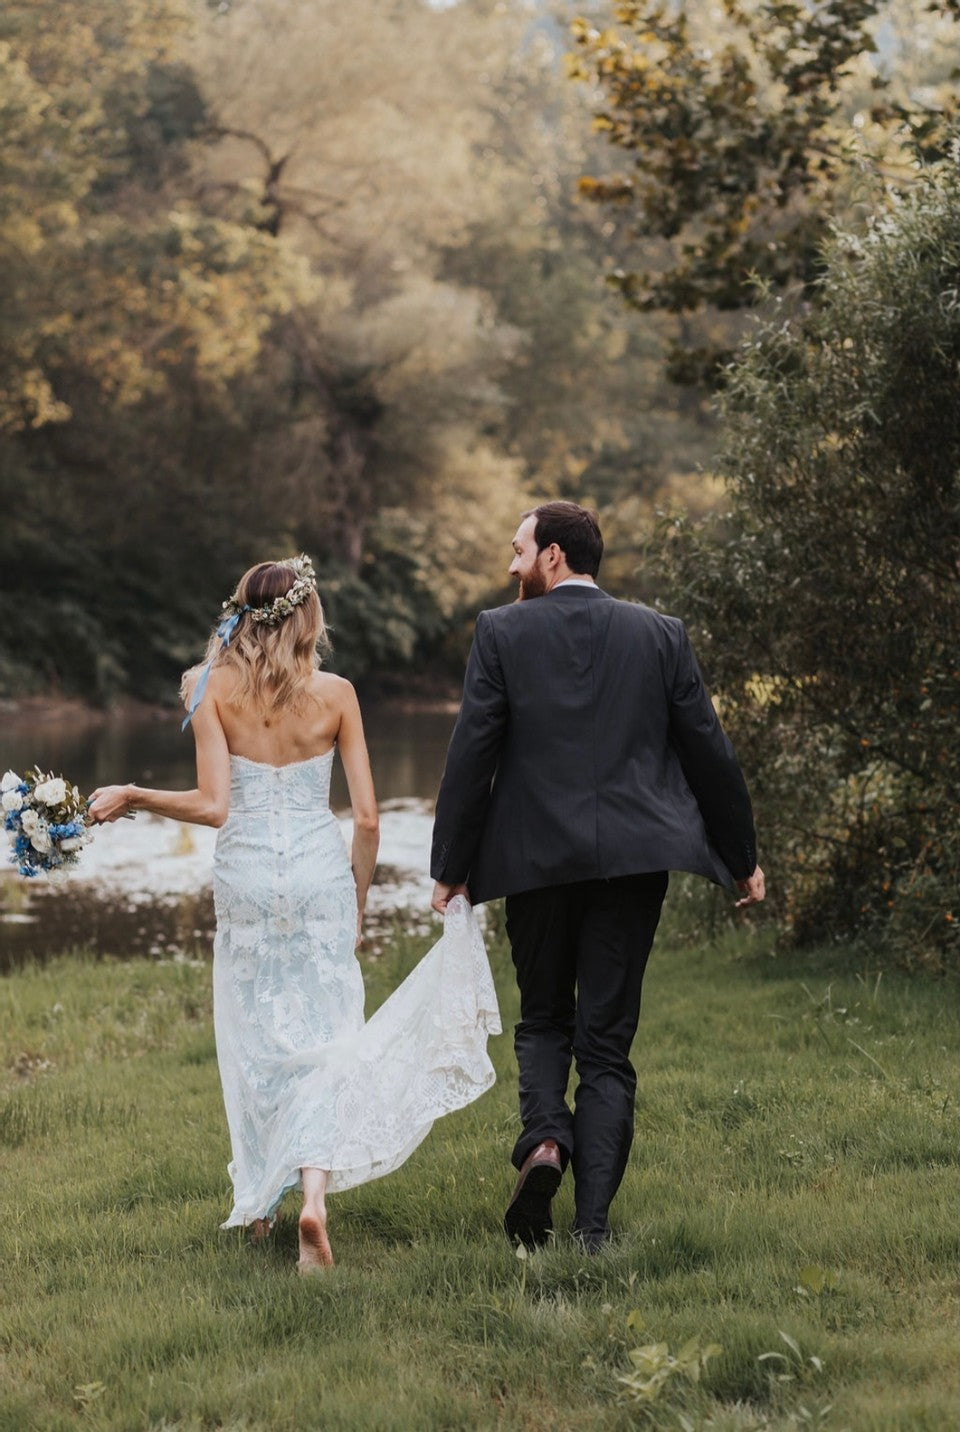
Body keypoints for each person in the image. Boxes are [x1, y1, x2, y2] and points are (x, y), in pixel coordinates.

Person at [90, 555, 500, 1272]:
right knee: (326, 1036)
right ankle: (313, 1198)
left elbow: (214, 807)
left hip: (248, 877)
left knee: (255, 1035)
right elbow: (368, 819)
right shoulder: (337, 693)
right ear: (308, 616)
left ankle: (260, 1206)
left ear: (239, 612)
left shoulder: (205, 687)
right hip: (318, 878)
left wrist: (134, 791)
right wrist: (359, 903)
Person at [430, 502, 764, 1253]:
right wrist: (741, 858)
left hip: (535, 863)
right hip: (635, 862)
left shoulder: (501, 632)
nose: (512, 566)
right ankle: (593, 1230)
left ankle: (546, 1141)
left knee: (545, 1017)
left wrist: (449, 868)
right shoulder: (660, 633)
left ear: (552, 556)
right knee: (606, 1044)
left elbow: (470, 753)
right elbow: (709, 751)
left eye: (518, 551)